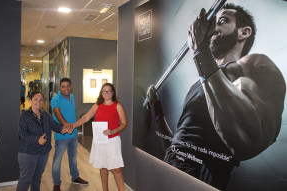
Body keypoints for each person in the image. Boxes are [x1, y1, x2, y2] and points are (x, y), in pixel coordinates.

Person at [146, 3, 286, 190]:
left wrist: (201, 52)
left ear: (243, 32)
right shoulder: (198, 85)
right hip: (168, 171)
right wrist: (156, 107)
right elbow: (177, 146)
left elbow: (249, 139)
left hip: (199, 177)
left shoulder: (253, 65)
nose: (213, 28)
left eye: (222, 21)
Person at [72, 83, 127, 191]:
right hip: (100, 141)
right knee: (103, 167)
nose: (106, 93)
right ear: (101, 93)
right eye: (104, 91)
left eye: (109, 91)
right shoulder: (98, 105)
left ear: (113, 92)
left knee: (116, 169)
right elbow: (87, 117)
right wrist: (73, 125)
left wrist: (113, 131)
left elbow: (124, 123)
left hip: (113, 140)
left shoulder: (117, 105)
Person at [17, 91, 69, 191]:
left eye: (41, 100)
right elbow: (22, 134)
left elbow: (54, 125)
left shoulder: (45, 115)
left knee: (37, 178)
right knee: (25, 180)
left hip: (43, 152)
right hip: (28, 153)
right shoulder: (24, 116)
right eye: (36, 99)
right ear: (30, 100)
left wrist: (62, 129)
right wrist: (37, 140)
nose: (38, 102)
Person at [51, 77, 88, 191]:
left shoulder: (72, 97)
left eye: (68, 86)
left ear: (71, 87)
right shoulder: (55, 99)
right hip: (62, 135)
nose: (66, 88)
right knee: (57, 159)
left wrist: (72, 127)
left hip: (73, 134)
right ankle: (57, 183)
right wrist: (66, 124)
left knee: (73, 157)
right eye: (63, 86)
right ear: (60, 87)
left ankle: (75, 177)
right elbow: (57, 112)